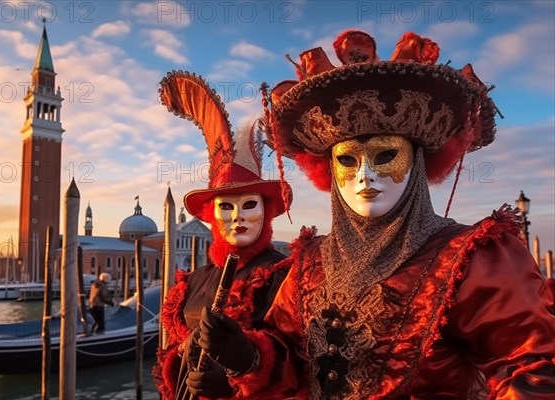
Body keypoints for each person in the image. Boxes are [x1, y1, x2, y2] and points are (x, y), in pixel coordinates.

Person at [195, 30, 555, 399]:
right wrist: (247, 357)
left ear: (416, 164)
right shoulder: (310, 264)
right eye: (347, 161)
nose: (365, 175)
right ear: (329, 172)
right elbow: (294, 361)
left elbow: (529, 370)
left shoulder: (472, 259)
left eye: (386, 155)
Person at [152, 71, 293, 399]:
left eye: (248, 205)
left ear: (267, 210)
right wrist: (183, 362)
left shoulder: (281, 276)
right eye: (226, 207)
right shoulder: (195, 280)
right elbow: (172, 350)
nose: (238, 217)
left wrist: (240, 371)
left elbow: (296, 360)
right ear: (212, 215)